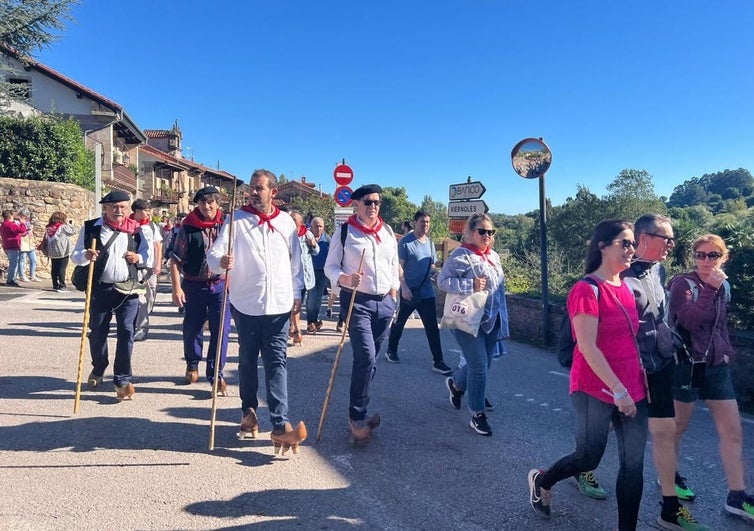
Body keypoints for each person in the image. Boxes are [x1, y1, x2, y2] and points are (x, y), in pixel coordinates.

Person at [528, 219, 648, 531]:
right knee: (588, 457)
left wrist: (632, 387)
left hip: (633, 387)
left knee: (634, 466)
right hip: (595, 387)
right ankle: (543, 480)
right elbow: (588, 346)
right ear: (602, 246)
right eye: (624, 242)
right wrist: (618, 390)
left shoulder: (627, 287)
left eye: (633, 243)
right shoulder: (586, 289)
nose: (631, 249)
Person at [207, 169, 306, 454]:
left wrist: (297, 294)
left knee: (277, 363)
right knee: (248, 360)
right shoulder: (235, 220)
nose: (253, 192)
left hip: (278, 304)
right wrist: (221, 261)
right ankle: (248, 412)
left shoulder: (286, 223)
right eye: (251, 188)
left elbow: (295, 264)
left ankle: (280, 424)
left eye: (259, 188)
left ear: (273, 192)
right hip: (246, 302)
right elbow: (213, 255)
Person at [622, 214, 707, 530]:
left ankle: (669, 509)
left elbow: (662, 316)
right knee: (597, 443)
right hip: (628, 371)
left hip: (659, 367)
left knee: (664, 432)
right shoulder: (618, 273)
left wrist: (670, 339)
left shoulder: (659, 270)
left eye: (673, 238)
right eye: (665, 238)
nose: (671, 244)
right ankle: (571, 470)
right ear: (643, 237)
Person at [668, 234, 754, 523]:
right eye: (700, 255)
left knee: (732, 431)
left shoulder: (724, 286)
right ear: (693, 257)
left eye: (713, 255)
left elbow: (720, 325)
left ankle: (737, 497)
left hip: (716, 366)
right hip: (687, 365)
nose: (706, 260)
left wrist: (726, 349)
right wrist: (709, 288)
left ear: (723, 257)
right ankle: (670, 475)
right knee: (678, 426)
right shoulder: (683, 284)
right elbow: (690, 321)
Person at [324, 184, 399, 443]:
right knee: (365, 356)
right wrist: (344, 277)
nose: (374, 206)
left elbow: (392, 265)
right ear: (355, 204)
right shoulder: (344, 232)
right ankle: (355, 417)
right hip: (357, 303)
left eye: (377, 202)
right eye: (368, 202)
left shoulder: (387, 231)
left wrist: (393, 294)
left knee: (372, 361)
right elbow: (329, 268)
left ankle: (361, 410)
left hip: (384, 304)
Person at [70, 190, 149, 401]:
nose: (119, 211)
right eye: (114, 207)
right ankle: (99, 367)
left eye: (123, 207)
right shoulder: (90, 228)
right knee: (97, 332)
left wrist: (138, 257)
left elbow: (147, 255)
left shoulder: (136, 230)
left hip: (128, 289)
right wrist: (86, 255)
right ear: (105, 208)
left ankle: (122, 379)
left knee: (126, 332)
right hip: (100, 289)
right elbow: (75, 256)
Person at [437, 213, 509, 436]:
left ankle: (457, 384)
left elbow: (499, 292)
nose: (487, 236)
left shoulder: (494, 257)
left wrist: (503, 320)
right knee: (478, 365)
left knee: (485, 364)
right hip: (467, 320)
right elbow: (442, 281)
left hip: (490, 320)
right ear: (470, 232)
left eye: (490, 232)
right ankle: (477, 414)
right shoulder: (461, 255)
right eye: (482, 231)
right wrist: (471, 284)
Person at [170, 187, 230, 394]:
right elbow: (175, 260)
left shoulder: (227, 226)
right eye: (203, 203)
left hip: (220, 285)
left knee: (221, 330)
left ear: (218, 203)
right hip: (194, 285)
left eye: (211, 202)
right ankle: (193, 362)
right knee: (192, 328)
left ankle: (215, 375)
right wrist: (176, 288)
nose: (207, 207)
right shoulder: (187, 227)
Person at [385, 210, 452, 375]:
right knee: (400, 322)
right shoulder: (406, 243)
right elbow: (398, 266)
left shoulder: (429, 243)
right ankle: (391, 350)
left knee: (431, 327)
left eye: (428, 222)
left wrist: (435, 273)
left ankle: (438, 361)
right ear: (415, 223)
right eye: (422, 222)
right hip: (410, 291)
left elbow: (431, 265)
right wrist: (404, 287)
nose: (425, 225)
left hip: (427, 292)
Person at [131, 199, 163, 342]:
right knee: (140, 299)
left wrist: (158, 264)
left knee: (151, 296)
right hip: (137, 267)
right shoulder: (130, 225)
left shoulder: (152, 226)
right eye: (146, 211)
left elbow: (158, 246)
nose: (149, 214)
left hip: (151, 267)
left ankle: (143, 319)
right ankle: (141, 328)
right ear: (137, 211)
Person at [289, 211, 319, 345]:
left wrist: (312, 244)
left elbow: (316, 251)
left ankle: (294, 328)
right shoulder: (286, 234)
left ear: (301, 222)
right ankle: (295, 329)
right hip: (288, 276)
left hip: (304, 276)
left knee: (297, 304)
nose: (292, 221)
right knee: (293, 303)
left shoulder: (307, 234)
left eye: (294, 220)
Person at [305, 216, 330, 333]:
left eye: (320, 226)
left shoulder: (327, 239)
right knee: (311, 297)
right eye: (316, 226)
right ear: (311, 227)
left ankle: (314, 320)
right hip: (310, 272)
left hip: (323, 272)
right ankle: (310, 321)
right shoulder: (306, 237)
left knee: (318, 298)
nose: (318, 228)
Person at [43, 211, 78, 292]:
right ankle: (62, 285)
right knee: (62, 268)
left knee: (54, 268)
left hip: (52, 252)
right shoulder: (62, 227)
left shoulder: (49, 227)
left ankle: (55, 285)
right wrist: (69, 224)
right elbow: (73, 231)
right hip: (62, 251)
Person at [1, 209, 27, 286]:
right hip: (12, 246)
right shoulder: (10, 224)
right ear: (9, 216)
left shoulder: (3, 224)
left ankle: (11, 278)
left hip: (7, 246)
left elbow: (10, 234)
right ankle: (10, 280)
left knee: (13, 263)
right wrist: (22, 223)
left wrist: (19, 235)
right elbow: (22, 230)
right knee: (13, 263)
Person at [16, 208, 39, 282]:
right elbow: (19, 233)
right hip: (23, 242)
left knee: (33, 259)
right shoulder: (17, 222)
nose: (27, 218)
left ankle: (32, 275)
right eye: (25, 216)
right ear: (21, 215)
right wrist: (26, 231)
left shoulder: (28, 222)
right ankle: (22, 276)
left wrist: (31, 232)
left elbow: (30, 232)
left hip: (30, 242)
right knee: (22, 259)